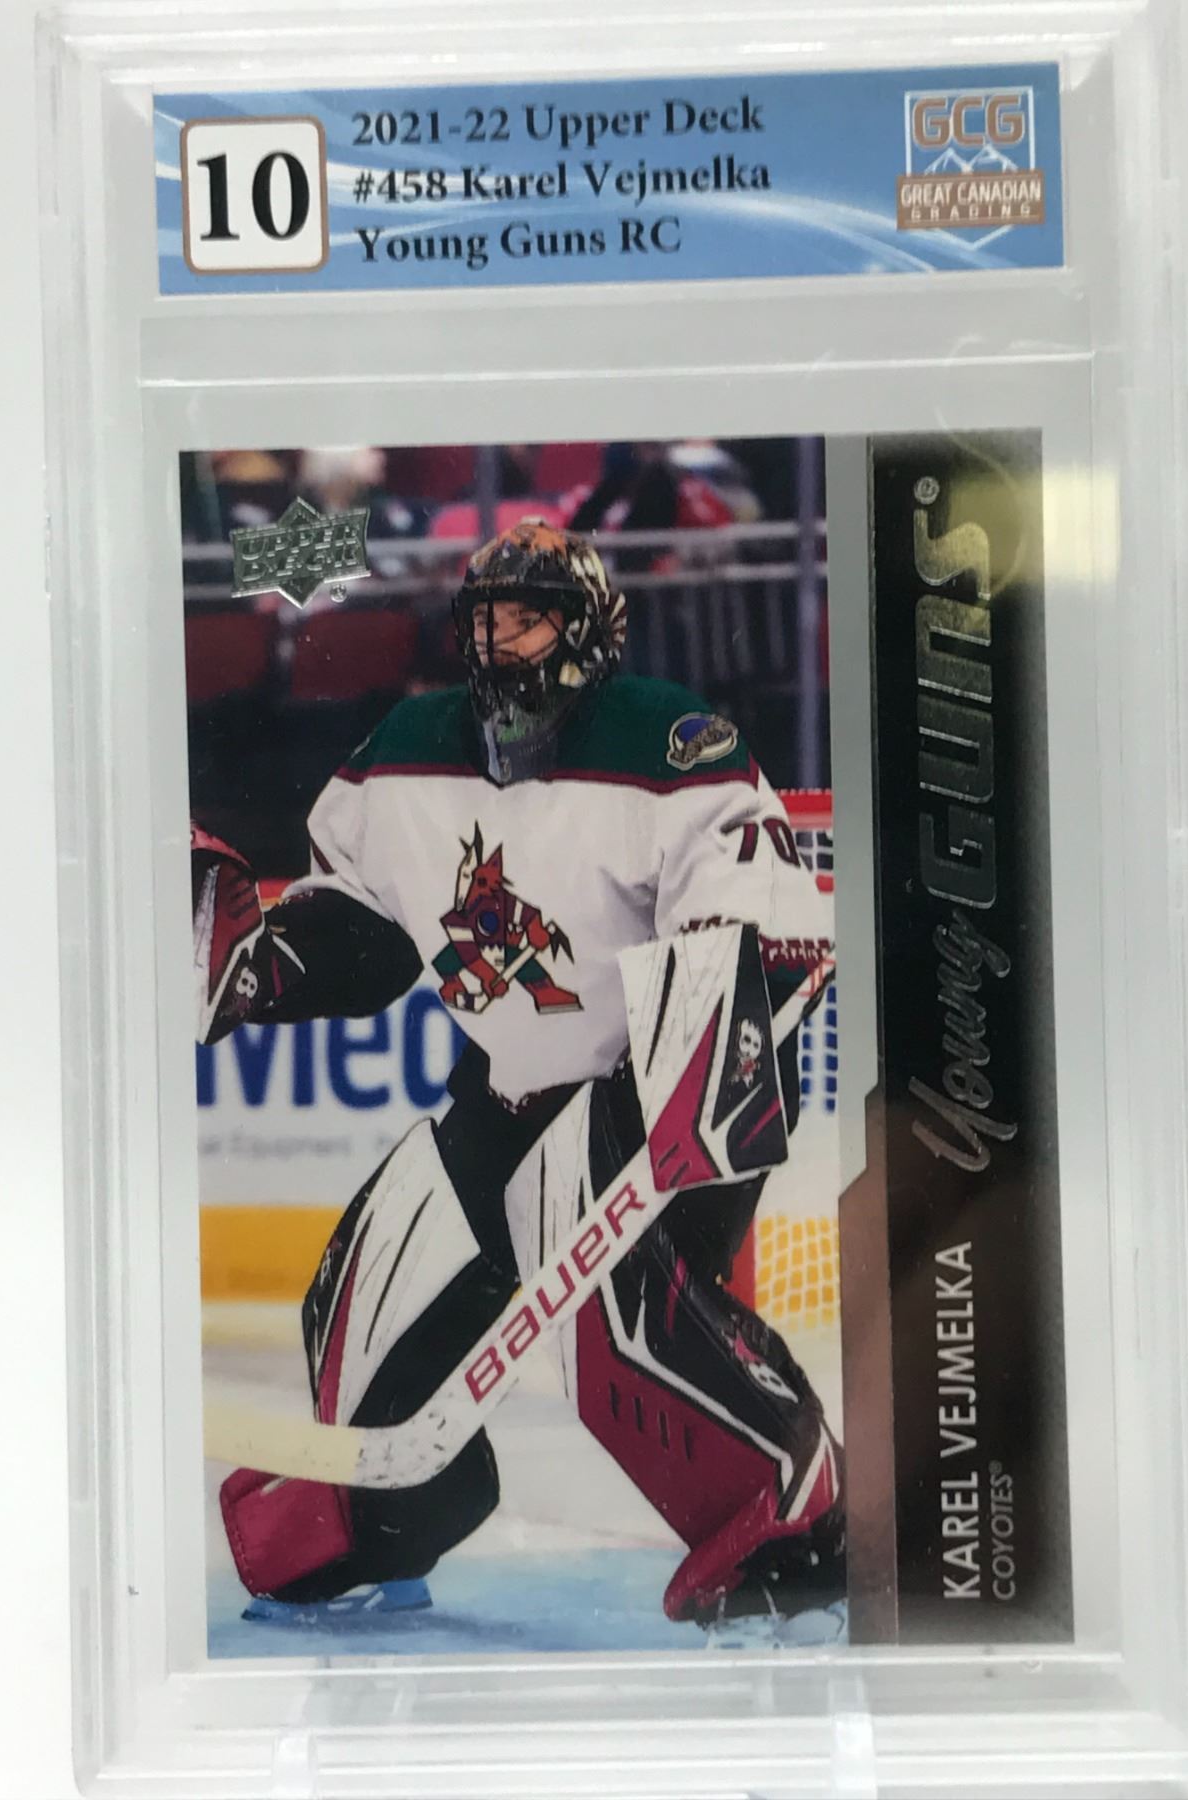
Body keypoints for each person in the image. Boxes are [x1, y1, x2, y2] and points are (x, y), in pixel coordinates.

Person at [194, 520, 842, 1629]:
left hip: (656, 1089)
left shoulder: (668, 740)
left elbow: (756, 922)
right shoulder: (409, 746)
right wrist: (263, 967)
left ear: (587, 633)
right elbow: (363, 923)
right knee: (355, 1302)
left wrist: (693, 1076)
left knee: (620, 1331)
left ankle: (795, 1513)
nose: (499, 644)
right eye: (486, 619)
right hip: (505, 1096)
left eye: (529, 618)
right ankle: (394, 1517)